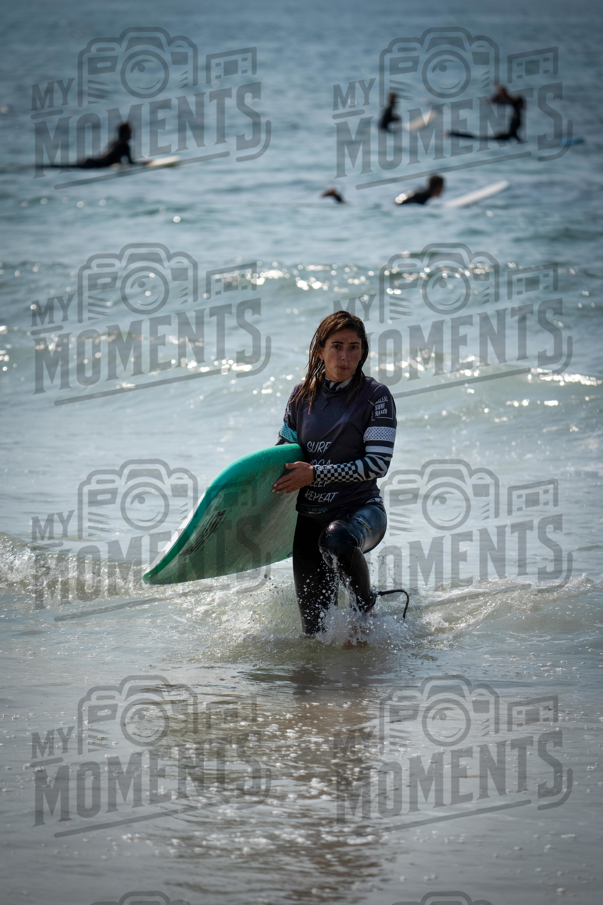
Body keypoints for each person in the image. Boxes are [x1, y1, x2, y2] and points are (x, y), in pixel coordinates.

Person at [272, 311, 402, 636]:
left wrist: (313, 474)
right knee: (314, 635)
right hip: (309, 520)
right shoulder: (301, 396)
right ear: (320, 349)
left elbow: (377, 464)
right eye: (337, 346)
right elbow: (284, 452)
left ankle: (365, 607)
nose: (346, 357)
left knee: (337, 538)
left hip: (360, 512)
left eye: (354, 348)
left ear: (363, 351)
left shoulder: (376, 397)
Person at [447, 83, 525, 143]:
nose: (524, 105)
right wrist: (520, 141)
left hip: (504, 136)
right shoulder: (517, 114)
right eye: (523, 103)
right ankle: (453, 133)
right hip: (504, 137)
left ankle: (453, 133)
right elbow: (513, 133)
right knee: (477, 138)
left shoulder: (516, 113)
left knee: (477, 138)